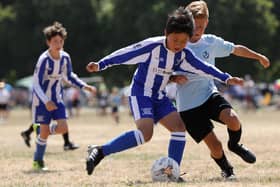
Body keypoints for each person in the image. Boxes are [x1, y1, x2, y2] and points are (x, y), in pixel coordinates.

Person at [85, 7, 244, 180]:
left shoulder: (183, 54)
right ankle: (100, 151)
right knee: (146, 133)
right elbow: (125, 54)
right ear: (166, 33)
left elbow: (203, 67)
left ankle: (170, 172)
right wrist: (101, 64)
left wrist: (226, 78)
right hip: (141, 93)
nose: (178, 45)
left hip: (159, 96)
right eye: (175, 39)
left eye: (183, 41)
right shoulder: (152, 46)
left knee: (179, 127)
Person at [171, 0, 270, 180]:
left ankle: (235, 145)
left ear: (207, 22)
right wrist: (173, 77)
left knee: (233, 120)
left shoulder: (211, 42)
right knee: (215, 146)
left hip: (209, 95)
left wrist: (258, 57)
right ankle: (228, 171)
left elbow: (236, 49)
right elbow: (162, 69)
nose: (198, 30)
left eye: (201, 26)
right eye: (195, 25)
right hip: (188, 107)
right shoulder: (177, 44)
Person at [31, 21, 96, 171]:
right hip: (41, 101)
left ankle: (42, 131)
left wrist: (83, 85)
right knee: (45, 134)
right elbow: (36, 84)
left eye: (61, 41)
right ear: (48, 42)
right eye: (55, 41)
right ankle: (37, 161)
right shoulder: (44, 60)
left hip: (57, 98)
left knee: (63, 127)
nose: (58, 44)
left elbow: (69, 76)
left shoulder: (65, 57)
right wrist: (46, 101)